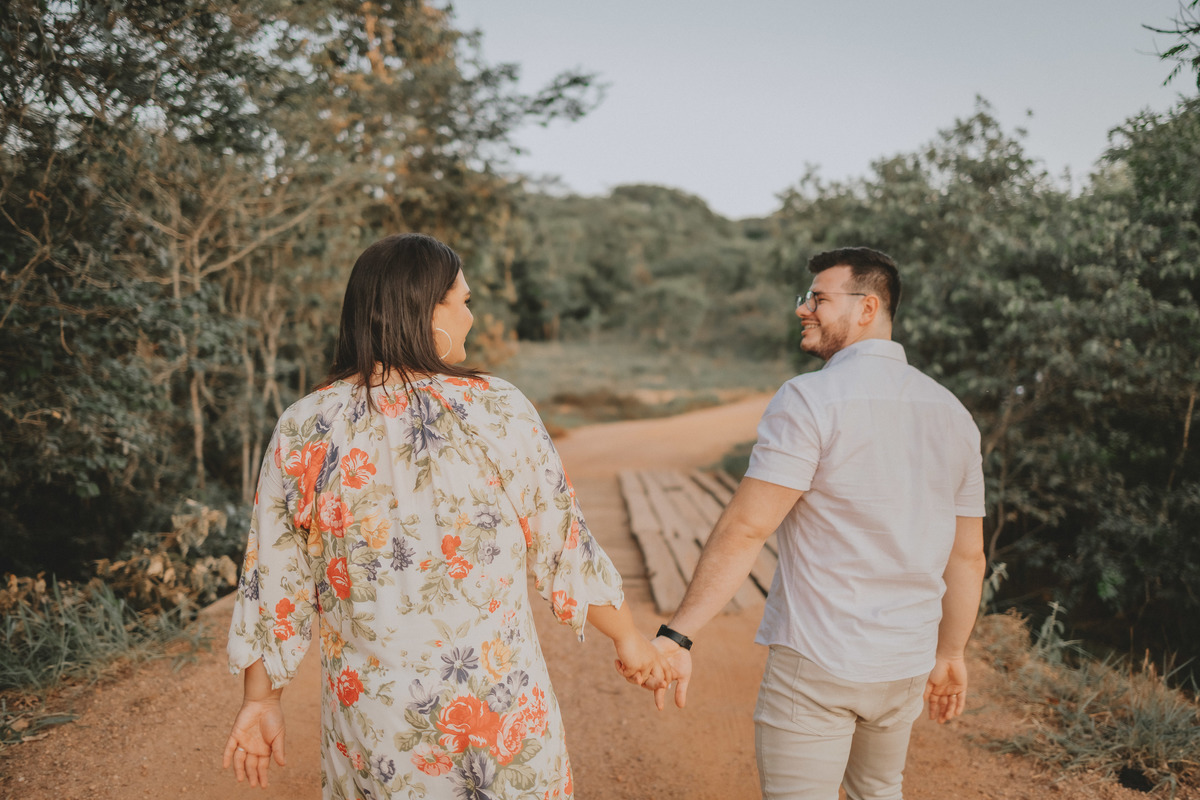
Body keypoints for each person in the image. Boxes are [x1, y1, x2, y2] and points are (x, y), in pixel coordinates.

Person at [221, 233, 667, 798]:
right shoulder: (496, 408)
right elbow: (563, 545)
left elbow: (274, 583)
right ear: (426, 311)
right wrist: (628, 638)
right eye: (463, 301)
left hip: (378, 730)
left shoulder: (305, 425)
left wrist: (261, 700)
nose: (471, 317)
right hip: (500, 715)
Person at [646, 247, 988, 799]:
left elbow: (747, 528)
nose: (803, 308)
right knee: (879, 790)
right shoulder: (952, 412)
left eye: (818, 298)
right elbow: (968, 556)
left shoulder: (810, 398)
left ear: (867, 307)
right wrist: (950, 654)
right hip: (906, 660)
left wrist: (678, 635)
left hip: (820, 656)